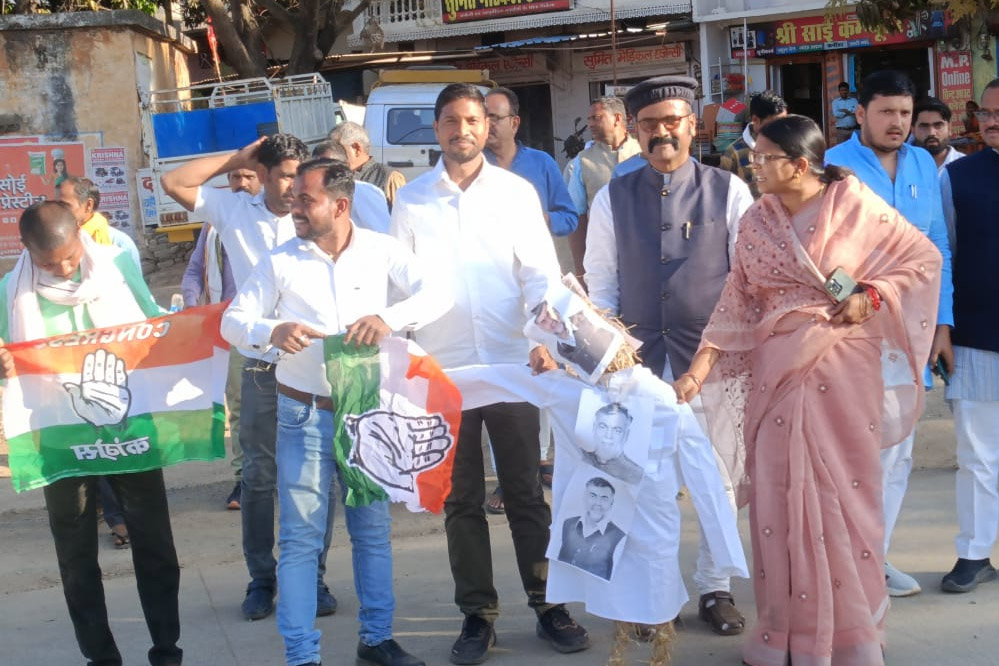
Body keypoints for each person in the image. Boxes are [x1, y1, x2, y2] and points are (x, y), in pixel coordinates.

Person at [675, 113, 941, 666]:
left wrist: (871, 296)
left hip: (842, 368)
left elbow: (922, 259)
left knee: (842, 498)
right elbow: (736, 299)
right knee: (778, 500)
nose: (754, 166)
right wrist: (699, 369)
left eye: (764, 158)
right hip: (776, 372)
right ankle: (784, 635)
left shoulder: (855, 206)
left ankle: (850, 639)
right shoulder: (757, 220)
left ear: (799, 165)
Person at [391, 82, 590, 665]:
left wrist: (543, 338)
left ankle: (549, 605)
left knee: (525, 491)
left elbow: (539, 273)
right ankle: (477, 615)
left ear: (490, 126)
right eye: (451, 121)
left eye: (473, 120)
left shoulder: (515, 193)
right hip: (442, 368)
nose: (463, 131)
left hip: (510, 363)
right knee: (460, 500)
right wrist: (404, 357)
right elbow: (398, 285)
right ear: (437, 129)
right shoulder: (413, 201)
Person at [222, 158, 447, 666]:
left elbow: (439, 293)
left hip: (366, 414)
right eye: (294, 199)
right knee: (301, 537)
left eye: (307, 199)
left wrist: (387, 318)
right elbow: (233, 321)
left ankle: (377, 640)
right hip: (302, 415)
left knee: (372, 531)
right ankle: (302, 654)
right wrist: (271, 331)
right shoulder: (280, 261)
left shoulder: (381, 251)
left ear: (341, 205)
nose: (294, 208)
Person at [584, 75, 753, 636]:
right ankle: (651, 597)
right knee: (639, 486)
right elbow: (600, 281)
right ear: (635, 129)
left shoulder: (728, 191)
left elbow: (744, 283)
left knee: (717, 483)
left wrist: (713, 354)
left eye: (673, 121)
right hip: (636, 367)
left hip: (711, 362)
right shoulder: (611, 197)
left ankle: (715, 588)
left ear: (692, 125)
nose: (662, 132)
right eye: (650, 123)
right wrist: (611, 355)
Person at [160, 134, 338, 620]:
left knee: (315, 477)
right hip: (260, 362)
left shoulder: (315, 213)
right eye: (283, 176)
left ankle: (313, 578)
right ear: (262, 174)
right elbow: (173, 181)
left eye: (298, 177)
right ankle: (261, 579)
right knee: (259, 477)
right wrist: (237, 158)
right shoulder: (234, 210)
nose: (293, 188)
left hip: (313, 364)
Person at [0, 201, 182, 666]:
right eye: (49, 265)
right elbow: (8, 358)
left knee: (155, 544)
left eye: (69, 257)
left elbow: (151, 323)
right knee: (75, 556)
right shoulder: (10, 293)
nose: (64, 269)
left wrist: (188, 328)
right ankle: (100, 657)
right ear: (27, 251)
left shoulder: (117, 266)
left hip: (129, 426)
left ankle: (166, 650)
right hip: (60, 438)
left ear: (80, 236)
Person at [826, 70, 954, 597]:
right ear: (861, 114)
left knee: (898, 450)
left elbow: (937, 246)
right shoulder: (834, 166)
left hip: (913, 333)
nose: (897, 123)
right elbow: (816, 254)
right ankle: (840, 561)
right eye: (886, 112)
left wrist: (943, 322)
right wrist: (845, 300)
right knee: (851, 452)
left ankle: (873, 558)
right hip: (853, 334)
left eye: (904, 113)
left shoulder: (923, 163)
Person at [939, 79, 999, 593]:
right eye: (987, 113)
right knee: (977, 454)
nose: (992, 122)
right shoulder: (957, 176)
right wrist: (943, 327)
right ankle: (975, 553)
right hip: (977, 335)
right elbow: (944, 255)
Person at [180, 168, 259, 510]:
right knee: (240, 408)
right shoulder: (214, 224)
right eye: (234, 177)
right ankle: (245, 479)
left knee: (286, 406)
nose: (240, 184)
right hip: (228, 326)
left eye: (248, 176)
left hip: (272, 326)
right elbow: (195, 270)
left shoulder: (277, 220)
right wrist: (191, 304)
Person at [483, 88, 578, 237]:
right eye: (483, 119)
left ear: (514, 123)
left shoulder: (542, 163)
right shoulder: (471, 166)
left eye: (494, 118)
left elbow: (569, 218)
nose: (488, 124)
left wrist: (540, 218)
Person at [565, 96, 642, 279]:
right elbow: (577, 217)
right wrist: (581, 272)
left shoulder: (643, 153)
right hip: (603, 260)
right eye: (589, 119)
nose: (590, 124)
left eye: (596, 118)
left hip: (644, 253)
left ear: (617, 118)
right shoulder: (581, 162)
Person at [55, 176, 141, 270]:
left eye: (65, 205)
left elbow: (132, 279)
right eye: (56, 205)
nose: (58, 211)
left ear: (89, 205)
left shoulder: (120, 243)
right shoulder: (54, 243)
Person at [311, 140, 391, 233]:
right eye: (316, 167)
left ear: (345, 166)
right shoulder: (311, 194)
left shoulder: (362, 192)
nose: (322, 172)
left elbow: (382, 231)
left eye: (328, 166)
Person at [719, 90, 788, 198]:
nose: (781, 129)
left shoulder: (788, 147)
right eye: (775, 124)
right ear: (755, 120)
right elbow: (723, 195)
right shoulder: (733, 153)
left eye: (784, 122)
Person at [557, 477, 626, 581]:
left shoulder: (619, 536)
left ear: (611, 503)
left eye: (604, 498)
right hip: (563, 581)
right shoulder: (568, 523)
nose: (598, 503)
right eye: (593, 496)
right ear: (584, 498)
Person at [328, 121, 406, 207]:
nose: (333, 155)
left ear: (356, 149)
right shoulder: (334, 176)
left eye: (338, 150)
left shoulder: (390, 177)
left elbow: (402, 213)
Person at [582, 403, 643, 484]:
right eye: (603, 427)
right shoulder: (579, 455)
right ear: (594, 428)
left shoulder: (636, 474)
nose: (608, 436)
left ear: (626, 435)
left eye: (617, 430)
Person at [911, 96, 964, 172]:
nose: (931, 133)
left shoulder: (965, 166)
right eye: (924, 126)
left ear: (949, 128)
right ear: (913, 130)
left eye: (938, 125)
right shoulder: (902, 166)